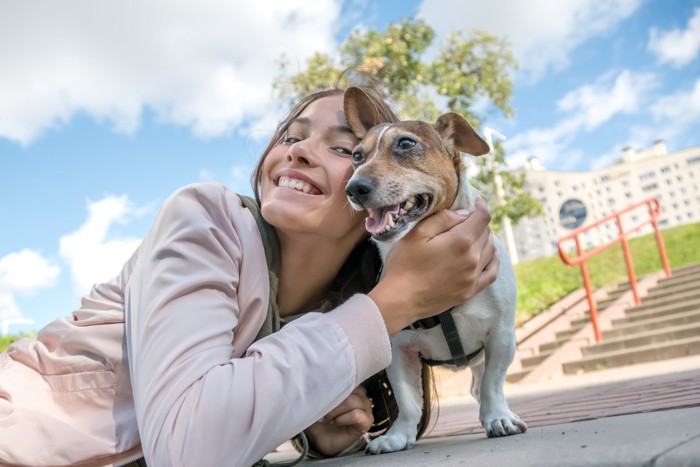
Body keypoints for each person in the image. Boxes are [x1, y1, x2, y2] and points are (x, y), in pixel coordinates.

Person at [0, 86, 499, 467]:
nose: (299, 151)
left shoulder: (337, 309)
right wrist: (394, 301)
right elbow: (186, 447)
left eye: (343, 149)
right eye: (292, 135)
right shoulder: (204, 218)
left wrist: (306, 426)